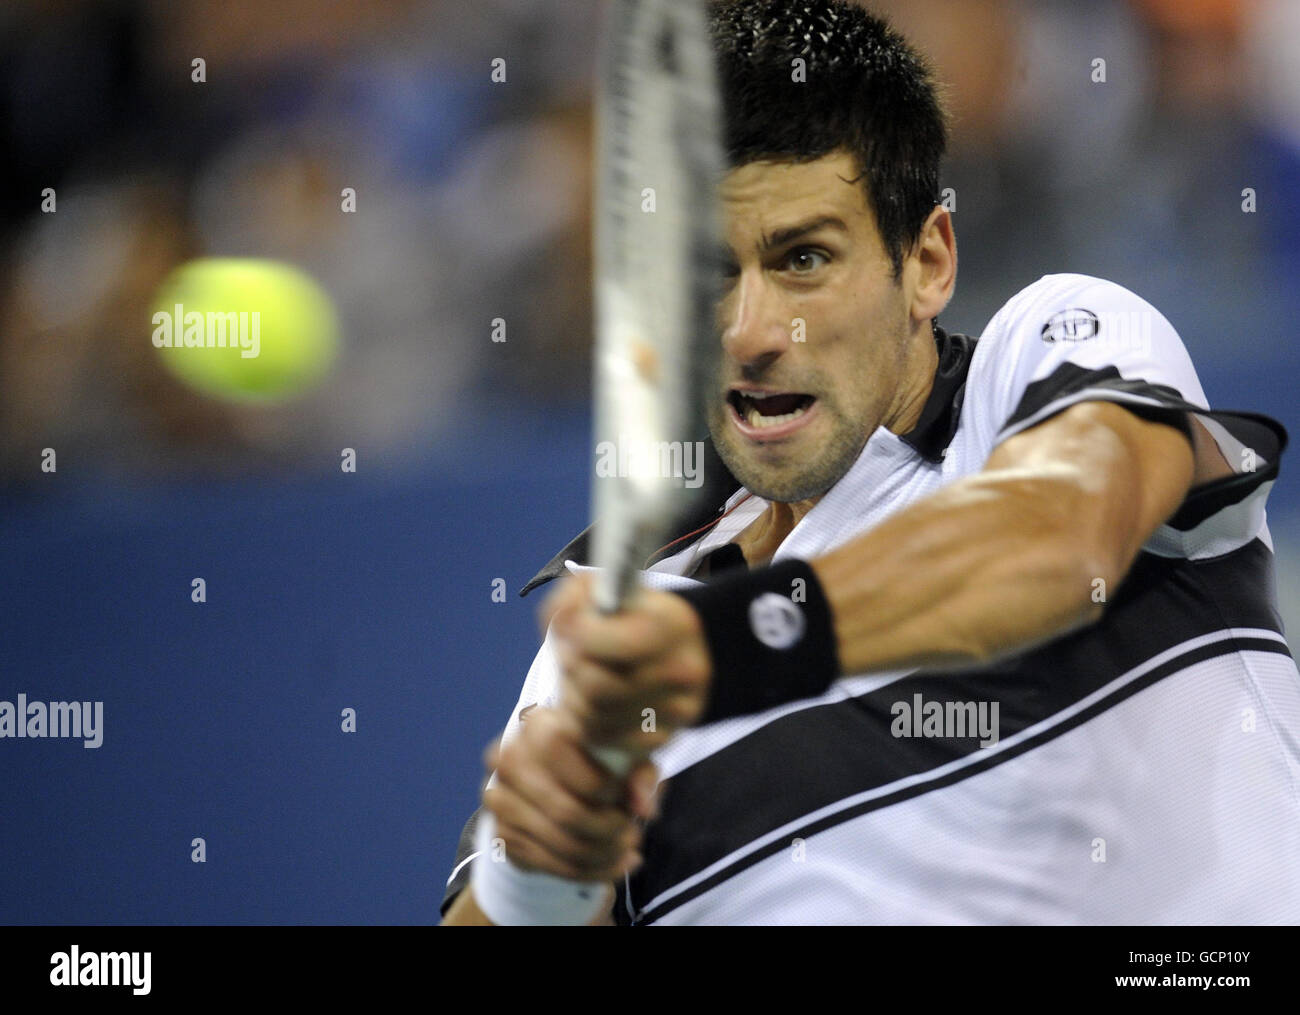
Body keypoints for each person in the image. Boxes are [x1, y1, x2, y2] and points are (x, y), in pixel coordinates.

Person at [441, 0, 1298, 925]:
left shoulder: (1050, 351)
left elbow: (1063, 535)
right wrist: (538, 875)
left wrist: (726, 645)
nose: (750, 333)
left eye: (803, 257)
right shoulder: (623, 632)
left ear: (927, 262)